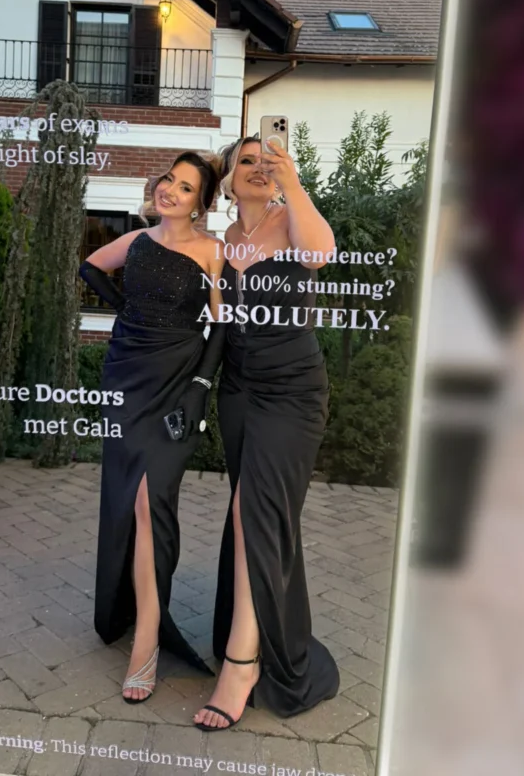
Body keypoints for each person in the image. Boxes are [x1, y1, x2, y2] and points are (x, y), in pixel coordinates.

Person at [193, 135, 340, 731]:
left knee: (253, 511)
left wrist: (293, 180)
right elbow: (218, 324)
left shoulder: (292, 220)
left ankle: (241, 664)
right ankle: (262, 634)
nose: (259, 168)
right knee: (255, 515)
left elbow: (321, 253)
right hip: (238, 391)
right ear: (228, 180)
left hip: (293, 392)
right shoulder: (223, 240)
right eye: (247, 161)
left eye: (268, 160)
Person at [79, 151, 227, 703]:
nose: (171, 190)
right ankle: (140, 623)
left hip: (177, 381)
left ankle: (147, 637)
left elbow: (221, 328)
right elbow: (90, 266)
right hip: (127, 376)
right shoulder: (138, 241)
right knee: (130, 501)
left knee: (151, 500)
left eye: (186, 187)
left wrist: (200, 388)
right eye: (169, 179)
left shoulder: (212, 251)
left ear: (201, 203)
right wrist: (124, 309)